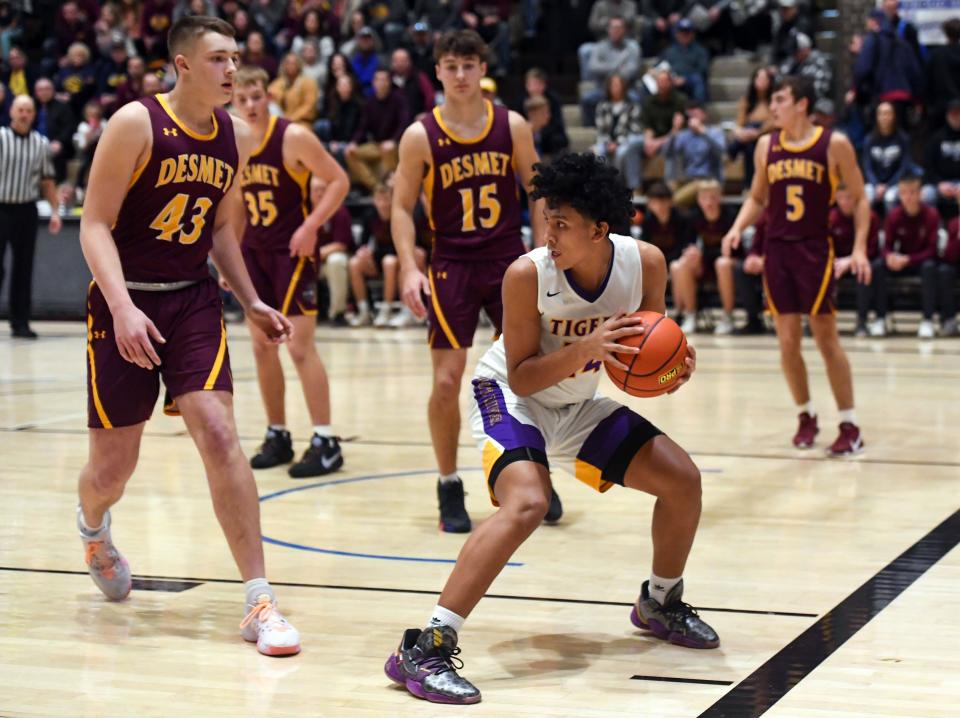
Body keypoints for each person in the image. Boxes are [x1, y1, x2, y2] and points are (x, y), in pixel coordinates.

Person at [384, 153, 717, 706]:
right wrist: (585, 348)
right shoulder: (528, 273)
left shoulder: (647, 264)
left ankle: (660, 601)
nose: (549, 234)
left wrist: (671, 369)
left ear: (599, 229)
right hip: (510, 396)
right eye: (546, 221)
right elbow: (522, 374)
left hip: (575, 404)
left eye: (562, 225)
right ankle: (425, 646)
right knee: (527, 504)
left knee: (683, 480)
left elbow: (645, 352)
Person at [76, 15, 300, 657]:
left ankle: (259, 599)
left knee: (221, 432)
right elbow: (93, 224)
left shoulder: (238, 135)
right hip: (125, 303)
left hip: (193, 302)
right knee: (113, 467)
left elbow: (224, 231)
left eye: (235, 58)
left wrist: (252, 299)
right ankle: (93, 524)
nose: (233, 70)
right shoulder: (135, 124)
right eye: (219, 59)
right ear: (182, 65)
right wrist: (120, 309)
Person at [393, 30, 559, 533]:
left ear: (480, 69)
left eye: (469, 65)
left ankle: (534, 473)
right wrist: (407, 265)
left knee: (526, 374)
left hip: (508, 259)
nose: (460, 74)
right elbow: (401, 206)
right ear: (438, 72)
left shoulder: (510, 125)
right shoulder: (421, 134)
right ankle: (448, 483)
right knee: (447, 380)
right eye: (451, 65)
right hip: (452, 264)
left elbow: (538, 191)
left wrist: (542, 248)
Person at [723, 75, 872, 455]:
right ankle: (806, 416)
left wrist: (858, 249)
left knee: (825, 337)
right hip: (777, 249)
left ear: (802, 103)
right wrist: (737, 228)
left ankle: (850, 424)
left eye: (780, 99)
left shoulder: (833, 143)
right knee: (787, 341)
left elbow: (859, 198)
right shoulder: (764, 146)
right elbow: (757, 198)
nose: (772, 107)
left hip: (813, 249)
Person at [231, 65, 350, 476]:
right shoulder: (234, 140)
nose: (249, 105)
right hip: (254, 254)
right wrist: (230, 260)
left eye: (256, 97)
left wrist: (311, 225)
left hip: (292, 253)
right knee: (263, 347)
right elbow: (235, 206)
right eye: (241, 99)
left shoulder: (293, 136)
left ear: (268, 96)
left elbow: (338, 180)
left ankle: (326, 439)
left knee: (299, 347)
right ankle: (278, 433)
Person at [0, 95, 63, 339]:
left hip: (26, 210)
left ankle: (20, 322)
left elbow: (47, 181)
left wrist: (56, 211)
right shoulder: (2, 138)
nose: (24, 114)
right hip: (1, 209)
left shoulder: (41, 143)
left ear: (34, 114)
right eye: (20, 110)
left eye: (29, 110)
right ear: (12, 112)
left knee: (23, 268)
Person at [869, 174, 941, 339]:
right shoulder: (893, 215)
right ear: (899, 194)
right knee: (879, 266)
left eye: (912, 192)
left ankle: (927, 320)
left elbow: (932, 250)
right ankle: (881, 318)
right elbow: (885, 246)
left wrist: (909, 259)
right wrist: (890, 257)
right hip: (900, 262)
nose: (908, 197)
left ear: (920, 194)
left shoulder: (931, 215)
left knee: (930, 267)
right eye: (904, 193)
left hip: (920, 262)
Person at [829, 184, 880, 337]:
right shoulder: (830, 218)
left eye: (848, 197)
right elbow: (825, 247)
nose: (844, 202)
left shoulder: (869, 216)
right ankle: (819, 320)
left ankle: (862, 322)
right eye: (840, 198)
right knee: (819, 268)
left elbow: (872, 249)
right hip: (837, 263)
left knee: (866, 270)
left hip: (861, 261)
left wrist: (851, 261)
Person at [311, 175, 355, 326]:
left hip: (330, 262)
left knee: (336, 261)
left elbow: (341, 244)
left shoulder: (339, 211)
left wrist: (318, 253)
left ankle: (338, 313)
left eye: (323, 189)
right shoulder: (301, 211)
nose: (319, 193)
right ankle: (305, 310)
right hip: (311, 261)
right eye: (315, 190)